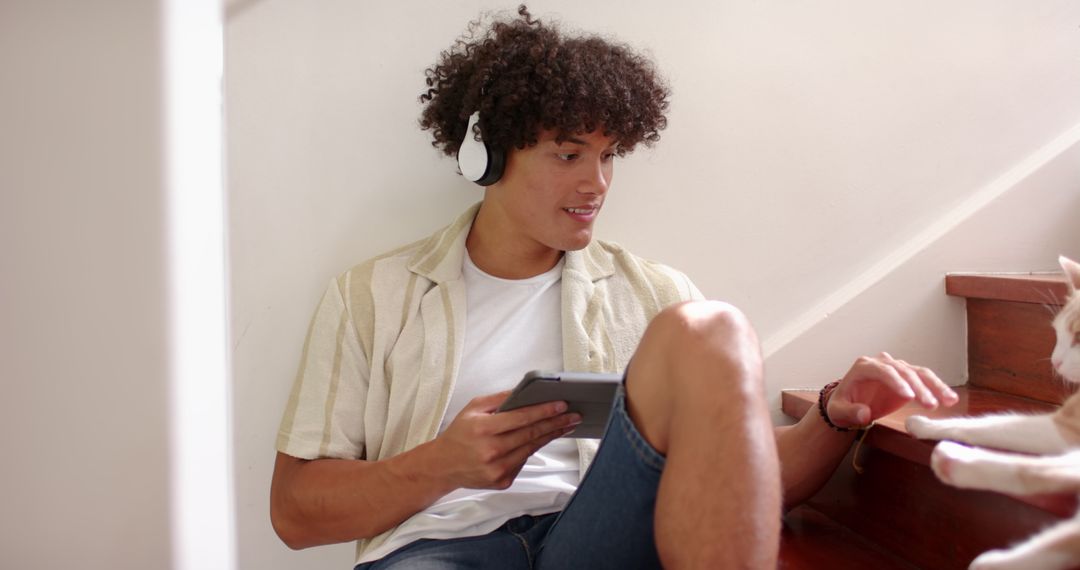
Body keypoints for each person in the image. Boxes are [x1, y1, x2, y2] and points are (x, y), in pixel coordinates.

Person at [269, 7, 959, 569]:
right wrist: (441, 464)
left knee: (710, 327)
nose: (596, 183)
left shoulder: (655, 294)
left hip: (598, 537)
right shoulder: (372, 296)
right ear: (486, 153)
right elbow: (295, 513)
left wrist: (836, 415)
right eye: (569, 154)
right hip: (439, 550)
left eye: (608, 157)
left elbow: (736, 478)